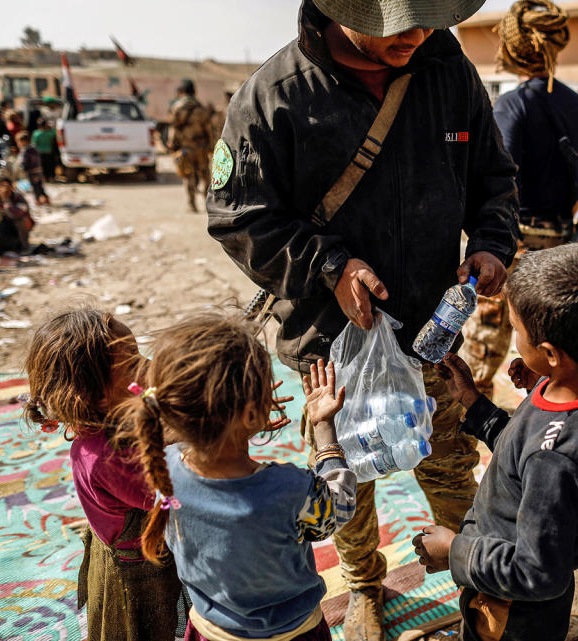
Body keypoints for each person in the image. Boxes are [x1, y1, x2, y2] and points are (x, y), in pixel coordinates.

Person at [206, 1, 519, 638]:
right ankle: (365, 588)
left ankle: (476, 575)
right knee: (346, 479)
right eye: (397, 22)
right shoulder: (275, 96)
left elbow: (494, 178)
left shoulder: (449, 71)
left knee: (450, 461)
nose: (417, 35)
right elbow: (238, 219)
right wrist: (332, 267)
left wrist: (491, 241)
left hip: (433, 333)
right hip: (330, 345)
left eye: (426, 18)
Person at [413, 243, 578, 641]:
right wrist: (474, 404)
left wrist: (456, 551)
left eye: (515, 328)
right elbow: (520, 452)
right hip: (499, 587)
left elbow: (535, 573)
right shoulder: (569, 389)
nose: (512, 335)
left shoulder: (556, 459)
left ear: (549, 352)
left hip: (514, 612)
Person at [116, 313, 356, 641]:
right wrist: (324, 429)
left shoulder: (162, 467)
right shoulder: (288, 489)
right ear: (253, 413)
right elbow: (337, 510)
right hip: (293, 634)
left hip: (209, 631)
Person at [22, 308, 182, 641]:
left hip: (135, 547)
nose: (149, 366)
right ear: (94, 395)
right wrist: (224, 433)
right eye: (133, 362)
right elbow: (179, 497)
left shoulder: (112, 414)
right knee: (148, 630)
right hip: (139, 571)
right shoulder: (108, 458)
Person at [459, 0, 578, 399]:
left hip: (514, 243)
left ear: (515, 47)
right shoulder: (577, 106)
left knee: (482, 350)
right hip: (561, 242)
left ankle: (473, 425)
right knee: (548, 342)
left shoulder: (514, 104)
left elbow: (500, 182)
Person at [167, 79, 213, 212]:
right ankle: (208, 205)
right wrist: (211, 146)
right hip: (201, 148)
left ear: (182, 91)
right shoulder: (201, 108)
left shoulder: (177, 107)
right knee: (205, 176)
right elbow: (209, 129)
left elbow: (174, 128)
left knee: (189, 176)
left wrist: (172, 144)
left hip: (185, 148)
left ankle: (192, 205)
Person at [17, 131, 49, 205]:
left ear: (23, 141)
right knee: (40, 186)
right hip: (38, 170)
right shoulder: (34, 148)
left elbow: (24, 162)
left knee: (35, 187)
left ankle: (38, 200)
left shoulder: (26, 150)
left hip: (31, 171)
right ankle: (46, 199)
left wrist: (23, 168)